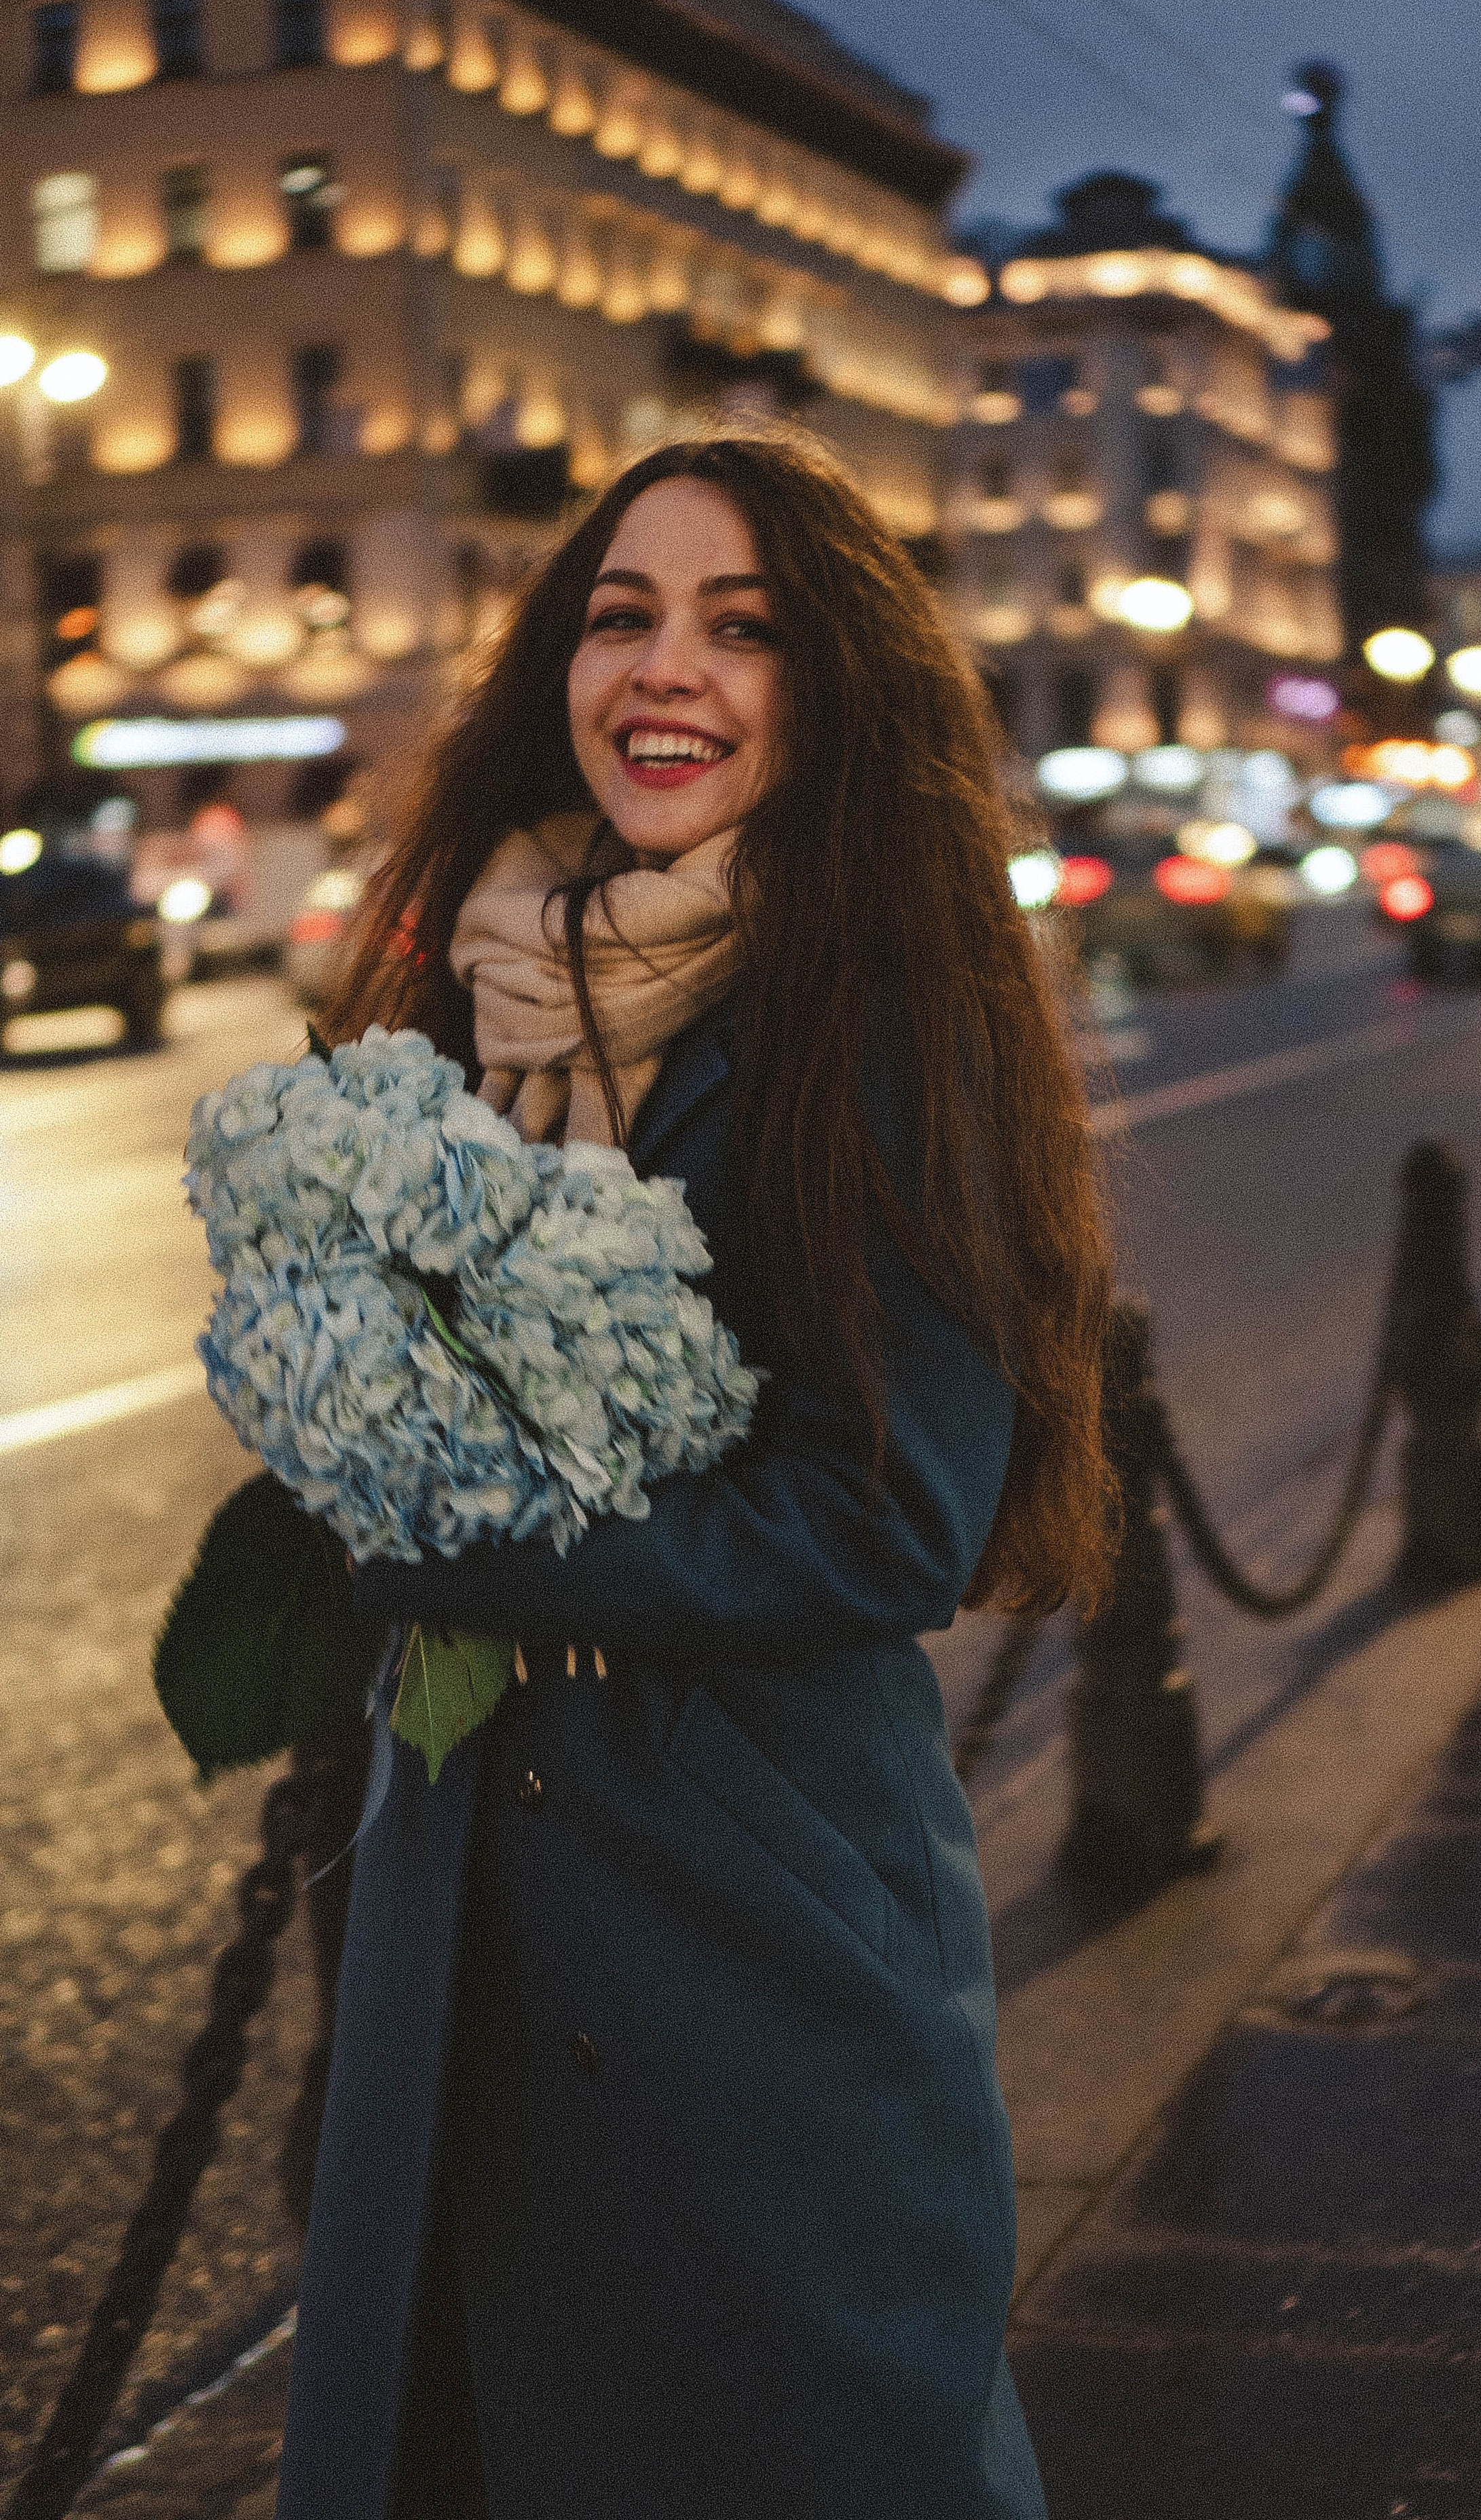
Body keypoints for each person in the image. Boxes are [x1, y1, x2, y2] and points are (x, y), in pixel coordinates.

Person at [274, 428, 1114, 2520]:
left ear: (834, 692)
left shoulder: (888, 1005)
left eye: (744, 628)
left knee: (797, 2451)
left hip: (747, 1920)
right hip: (469, 1891)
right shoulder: (488, 974)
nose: (670, 668)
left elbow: (887, 1513)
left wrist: (446, 1529)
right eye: (622, 614)